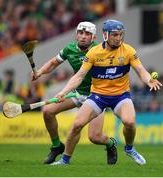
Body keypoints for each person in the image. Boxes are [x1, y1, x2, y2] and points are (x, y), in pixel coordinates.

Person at [51, 19, 163, 165]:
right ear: (105, 35)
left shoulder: (129, 50)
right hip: (98, 96)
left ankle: (129, 149)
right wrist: (63, 92)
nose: (119, 38)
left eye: (121, 35)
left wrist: (149, 80)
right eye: (115, 35)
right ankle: (65, 160)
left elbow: (141, 70)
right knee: (77, 125)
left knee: (129, 122)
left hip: (120, 95)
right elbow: (79, 76)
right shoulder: (94, 53)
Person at [31, 21, 117, 165]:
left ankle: (110, 144)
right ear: (76, 34)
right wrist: (39, 72)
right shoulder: (70, 48)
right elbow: (53, 63)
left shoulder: (99, 50)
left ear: (94, 37)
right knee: (47, 111)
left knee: (95, 137)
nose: (83, 36)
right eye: (80, 33)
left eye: (87, 34)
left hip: (97, 97)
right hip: (77, 94)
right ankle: (57, 146)